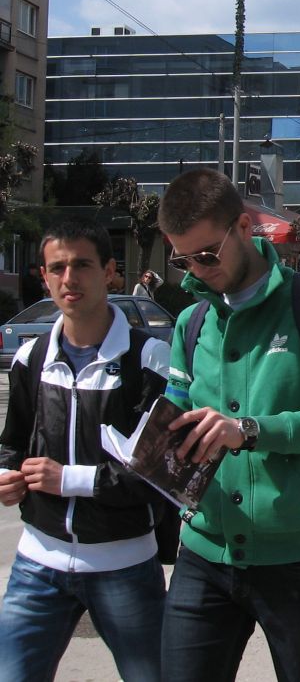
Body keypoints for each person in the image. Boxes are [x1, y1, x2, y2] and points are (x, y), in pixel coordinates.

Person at [155, 169, 300, 681]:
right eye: (181, 258)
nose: (196, 269)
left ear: (244, 226)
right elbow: (176, 415)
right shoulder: (191, 324)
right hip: (205, 552)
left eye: (206, 254)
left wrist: (250, 430)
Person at [0, 219, 170, 682]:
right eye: (57, 267)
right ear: (44, 276)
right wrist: (8, 476)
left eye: (82, 265)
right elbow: (12, 444)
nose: (69, 278)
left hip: (125, 566)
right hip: (37, 562)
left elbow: (158, 474)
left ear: (110, 272)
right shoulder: (31, 358)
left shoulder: (148, 359)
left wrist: (68, 478)